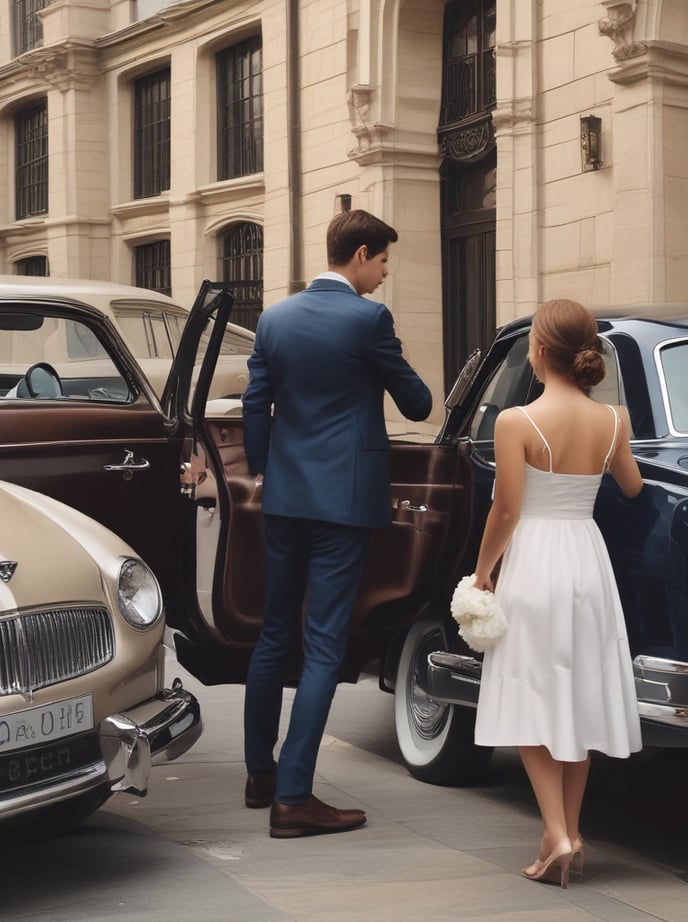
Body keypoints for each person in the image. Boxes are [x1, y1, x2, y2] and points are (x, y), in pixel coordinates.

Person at [241, 209, 432, 839]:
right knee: (323, 644)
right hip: (344, 503)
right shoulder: (368, 319)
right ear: (360, 255)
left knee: (273, 635)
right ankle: (294, 797)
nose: (383, 275)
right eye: (381, 263)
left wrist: (267, 472)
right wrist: (379, 368)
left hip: (285, 497)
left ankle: (260, 774)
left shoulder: (274, 318)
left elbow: (255, 404)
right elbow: (418, 403)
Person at [471, 298, 643, 886]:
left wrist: (482, 570)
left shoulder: (516, 422)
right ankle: (569, 830)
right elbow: (633, 485)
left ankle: (557, 832)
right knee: (576, 695)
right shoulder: (614, 419)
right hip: (586, 560)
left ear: (539, 351)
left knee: (528, 694)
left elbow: (508, 508)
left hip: (537, 562)